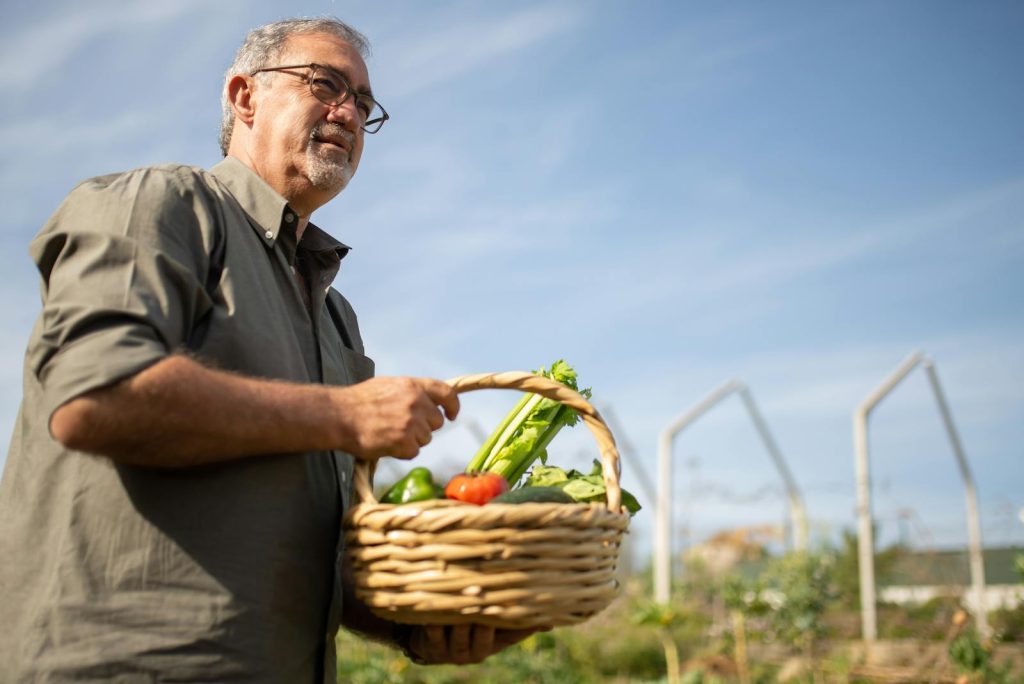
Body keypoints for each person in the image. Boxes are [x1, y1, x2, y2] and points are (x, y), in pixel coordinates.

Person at [0, 17, 536, 682]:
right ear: (245, 96)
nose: (347, 111)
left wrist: (415, 627)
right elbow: (93, 397)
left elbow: (317, 550)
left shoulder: (338, 320)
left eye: (363, 104)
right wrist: (344, 415)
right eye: (325, 83)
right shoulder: (159, 205)